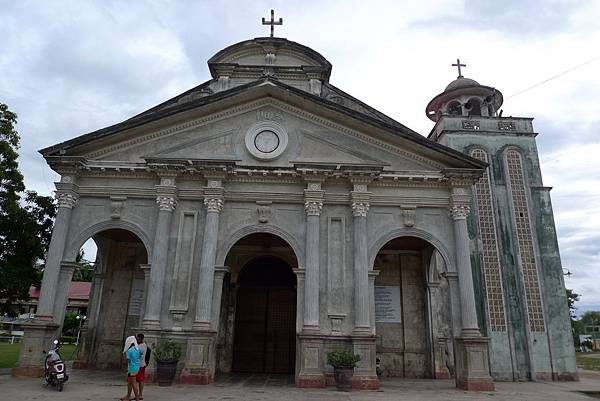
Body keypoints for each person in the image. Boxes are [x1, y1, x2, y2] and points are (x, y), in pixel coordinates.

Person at [120, 336, 141, 401]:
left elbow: (129, 361)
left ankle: (137, 397)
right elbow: (140, 355)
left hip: (131, 368)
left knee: (133, 383)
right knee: (130, 383)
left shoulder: (129, 351)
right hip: (137, 367)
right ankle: (128, 396)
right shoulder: (138, 349)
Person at [136, 333, 147, 400]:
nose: (137, 340)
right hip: (139, 364)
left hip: (140, 365)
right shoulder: (139, 345)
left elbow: (141, 356)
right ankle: (138, 394)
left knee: (140, 380)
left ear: (141, 338)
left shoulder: (142, 346)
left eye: (138, 339)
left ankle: (140, 394)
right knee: (139, 380)